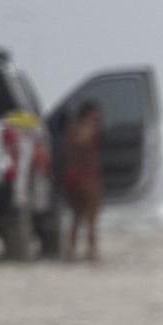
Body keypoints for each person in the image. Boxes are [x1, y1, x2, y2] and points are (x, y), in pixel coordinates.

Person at [61, 101, 102, 261]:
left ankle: (71, 250)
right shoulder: (88, 129)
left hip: (72, 176)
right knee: (91, 218)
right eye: (95, 113)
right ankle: (91, 251)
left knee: (76, 216)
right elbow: (84, 147)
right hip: (87, 177)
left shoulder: (71, 129)